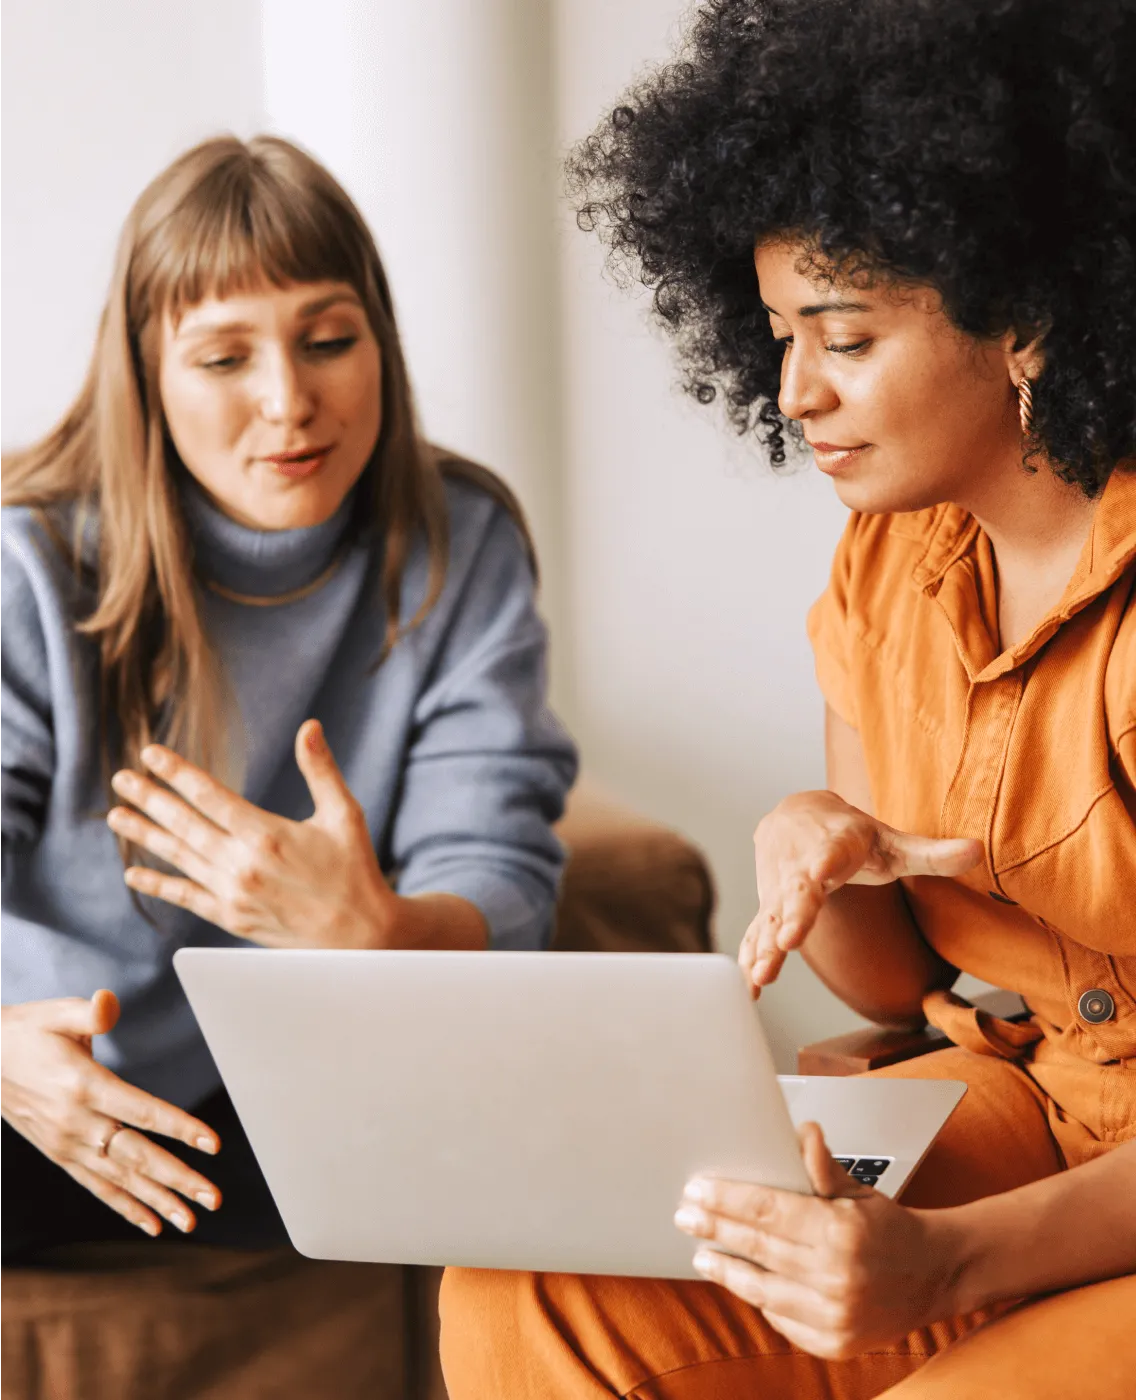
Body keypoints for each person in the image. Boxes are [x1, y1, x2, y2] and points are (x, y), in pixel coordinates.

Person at [439, 0, 1136, 1394]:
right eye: (775, 334)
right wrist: (828, 846)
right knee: (541, 1287)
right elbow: (892, 984)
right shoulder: (887, 561)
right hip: (1030, 1098)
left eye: (846, 336)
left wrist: (953, 1265)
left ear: (1034, 322)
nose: (794, 392)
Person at [0, 134, 576, 1256]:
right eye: (223, 359)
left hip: (302, 1088)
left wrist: (377, 928)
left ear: (379, 344)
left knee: (573, 1154)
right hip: (41, 1072)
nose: (288, 401)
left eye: (327, 340)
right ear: (147, 376)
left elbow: (498, 868)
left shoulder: (461, 541)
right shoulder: (30, 563)